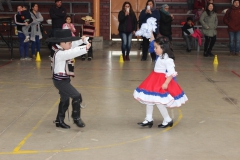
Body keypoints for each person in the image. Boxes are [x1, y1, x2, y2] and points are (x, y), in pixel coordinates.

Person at [133, 34, 188, 128]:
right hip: (153, 79)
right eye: (154, 47)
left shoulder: (168, 59)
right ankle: (148, 119)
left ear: (163, 48)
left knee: (159, 102)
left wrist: (166, 83)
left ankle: (168, 119)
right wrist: (151, 36)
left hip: (161, 81)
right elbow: (153, 42)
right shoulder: (160, 55)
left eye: (156, 47)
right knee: (149, 100)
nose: (154, 49)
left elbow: (171, 73)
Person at [46, 29, 91, 129]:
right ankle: (76, 117)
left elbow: (72, 46)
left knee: (65, 99)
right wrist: (85, 48)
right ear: (62, 43)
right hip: (60, 81)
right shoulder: (60, 53)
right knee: (76, 96)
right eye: (69, 43)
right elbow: (72, 52)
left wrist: (82, 40)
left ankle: (59, 120)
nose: (71, 44)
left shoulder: (59, 48)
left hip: (63, 79)